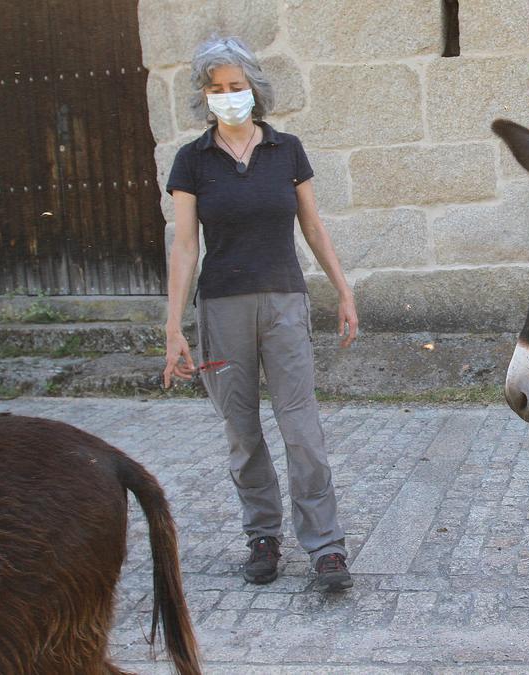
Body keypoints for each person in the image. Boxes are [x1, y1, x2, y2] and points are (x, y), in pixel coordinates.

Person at [161, 35, 358, 592]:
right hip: (221, 309)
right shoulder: (191, 160)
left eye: (237, 86)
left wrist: (343, 291)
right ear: (205, 98)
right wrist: (174, 325)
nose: (228, 97)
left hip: (284, 303)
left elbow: (313, 227)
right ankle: (263, 537)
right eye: (217, 89)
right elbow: (184, 247)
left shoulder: (287, 150)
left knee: (301, 427)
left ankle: (325, 546)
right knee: (242, 430)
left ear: (255, 89)